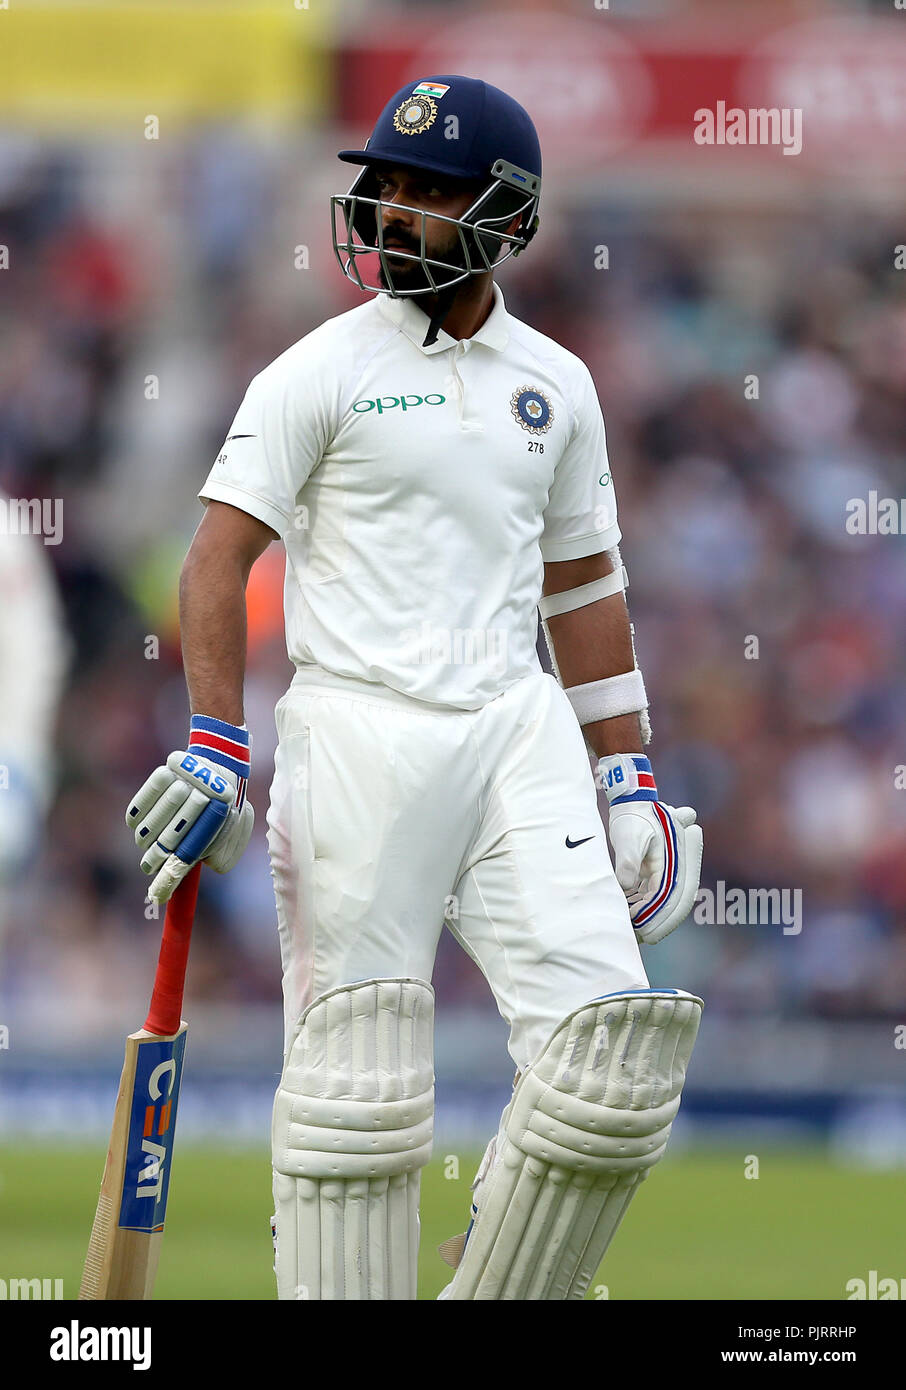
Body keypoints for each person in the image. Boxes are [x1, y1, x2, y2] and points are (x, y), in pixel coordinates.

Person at [125, 75, 704, 1301]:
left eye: (426, 191)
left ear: (505, 214)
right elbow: (216, 561)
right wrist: (218, 743)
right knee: (359, 1102)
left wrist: (628, 773)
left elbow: (586, 589)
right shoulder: (317, 371)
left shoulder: (559, 386)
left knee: (615, 1066)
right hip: (357, 732)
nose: (389, 210)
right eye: (382, 183)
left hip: (515, 726)